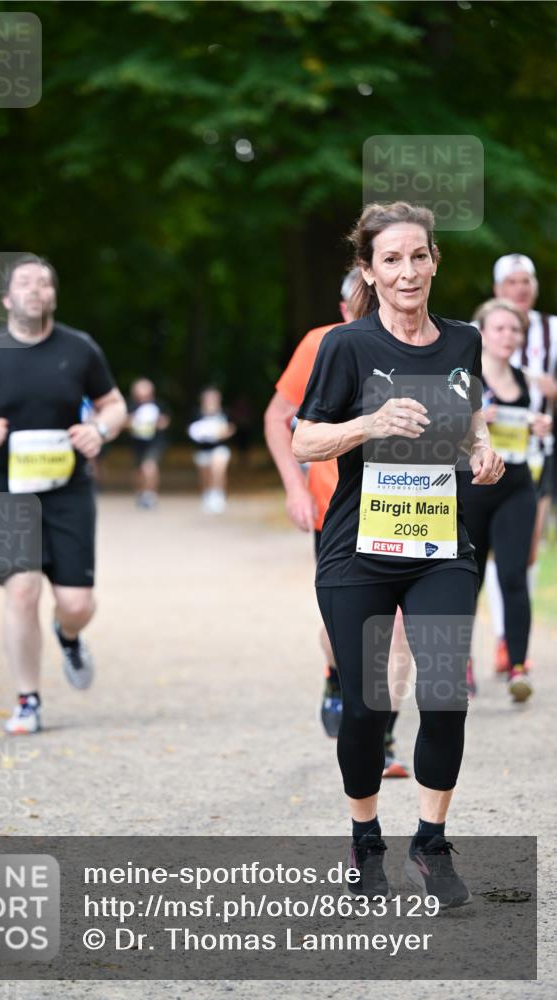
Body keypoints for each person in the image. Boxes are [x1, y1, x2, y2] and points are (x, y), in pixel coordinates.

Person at [293, 201, 504, 907]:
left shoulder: (462, 341)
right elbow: (302, 440)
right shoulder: (345, 347)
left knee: (444, 696)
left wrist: (481, 449)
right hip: (357, 548)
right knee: (366, 705)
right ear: (368, 270)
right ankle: (364, 839)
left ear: (434, 262)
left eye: (418, 256)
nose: (406, 271)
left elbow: (470, 416)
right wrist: (370, 422)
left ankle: (429, 846)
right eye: (391, 259)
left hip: (439, 543)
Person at [0, 255, 127, 735]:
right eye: (25, 282)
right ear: (6, 298)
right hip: (6, 487)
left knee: (77, 602)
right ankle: (28, 698)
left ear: (53, 296)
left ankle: (69, 635)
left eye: (44, 282)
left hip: (67, 488)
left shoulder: (79, 349)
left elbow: (114, 404)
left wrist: (98, 430)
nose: (36, 289)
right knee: (22, 589)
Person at [264, 270, 412, 778]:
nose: (359, 314)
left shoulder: (417, 342)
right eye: (352, 305)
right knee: (342, 630)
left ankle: (385, 738)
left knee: (394, 632)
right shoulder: (320, 344)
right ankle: (334, 673)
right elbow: (276, 418)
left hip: (401, 509)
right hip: (337, 508)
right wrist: (294, 487)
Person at [460, 299, 552, 701]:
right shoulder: (464, 379)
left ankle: (517, 666)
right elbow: (439, 434)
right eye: (498, 328)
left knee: (514, 575)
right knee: (467, 580)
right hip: (472, 487)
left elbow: (536, 436)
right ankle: (459, 662)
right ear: (480, 331)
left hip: (516, 485)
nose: (507, 336)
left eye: (514, 329)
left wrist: (542, 427)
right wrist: (477, 421)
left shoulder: (529, 381)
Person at [485, 254, 557, 673]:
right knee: (485, 555)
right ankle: (501, 640)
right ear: (498, 290)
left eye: (526, 280)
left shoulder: (552, 330)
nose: (519, 288)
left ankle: (513, 642)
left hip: (537, 455)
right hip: (485, 457)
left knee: (525, 551)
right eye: (511, 282)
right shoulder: (476, 334)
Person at [188, 387, 236, 514]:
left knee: (218, 469)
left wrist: (223, 433)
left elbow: (231, 428)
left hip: (220, 447)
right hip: (202, 449)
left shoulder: (224, 412)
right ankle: (207, 495)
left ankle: (218, 495)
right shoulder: (197, 413)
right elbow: (191, 430)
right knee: (205, 474)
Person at [126, 378, 171, 509]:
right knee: (138, 471)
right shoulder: (130, 405)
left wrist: (158, 423)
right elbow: (122, 422)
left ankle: (150, 494)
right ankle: (141, 493)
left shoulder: (159, 404)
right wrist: (133, 421)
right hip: (137, 443)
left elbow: (166, 422)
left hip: (155, 442)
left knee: (149, 466)